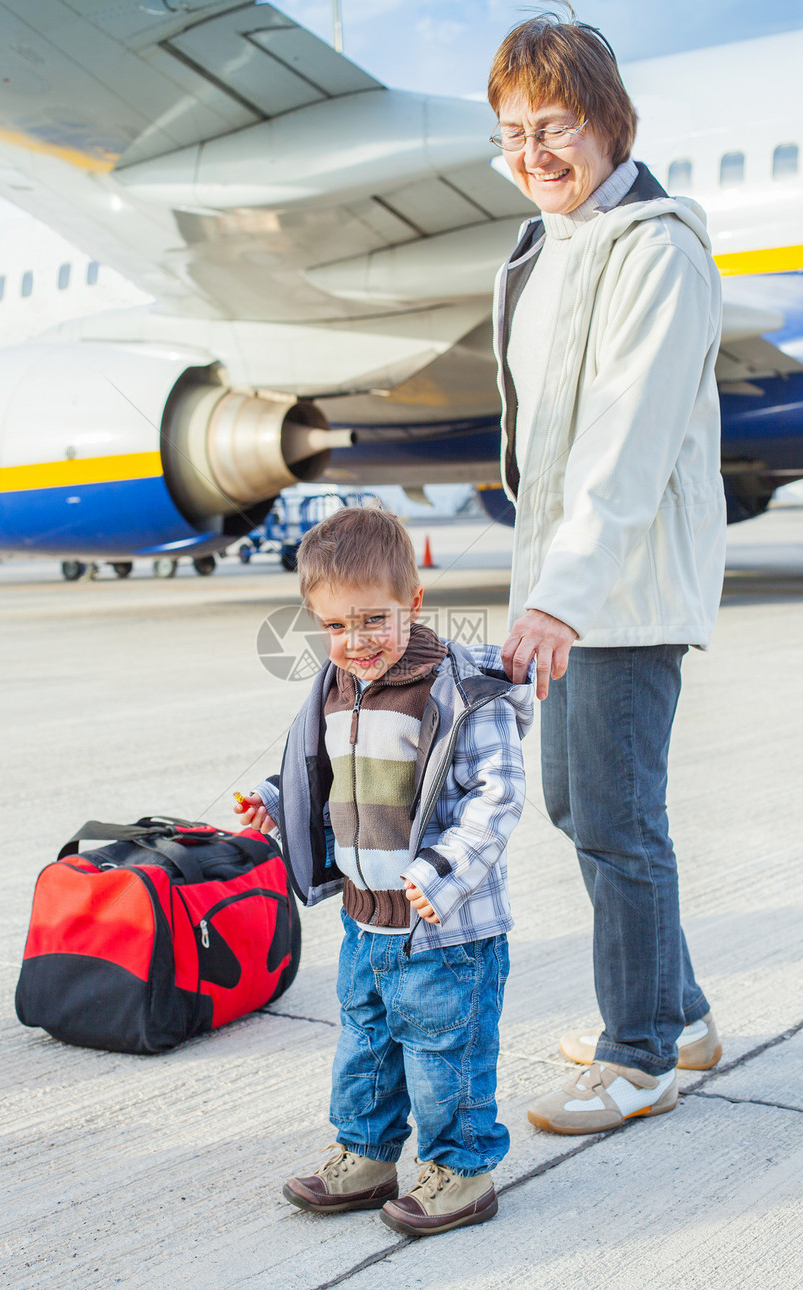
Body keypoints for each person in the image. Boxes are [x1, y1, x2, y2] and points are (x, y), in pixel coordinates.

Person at [488, 8, 726, 1135]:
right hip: (574, 584)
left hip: (619, 591)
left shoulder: (655, 249)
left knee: (618, 819)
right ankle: (674, 1013)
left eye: (555, 125)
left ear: (607, 121)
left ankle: (638, 1059)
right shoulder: (549, 246)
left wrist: (557, 598)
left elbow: (625, 446)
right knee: (578, 802)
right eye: (512, 131)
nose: (534, 152)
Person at [234, 506, 533, 1236]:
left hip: (445, 927)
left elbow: (499, 796)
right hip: (366, 916)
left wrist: (440, 872)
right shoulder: (338, 688)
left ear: (415, 602)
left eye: (373, 620)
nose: (355, 642)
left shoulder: (462, 691)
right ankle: (366, 1154)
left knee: (444, 1052)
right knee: (366, 1039)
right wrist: (277, 801)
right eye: (335, 627)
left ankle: (462, 1167)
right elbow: (330, 772)